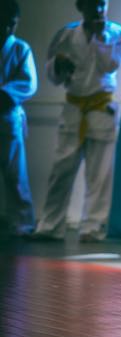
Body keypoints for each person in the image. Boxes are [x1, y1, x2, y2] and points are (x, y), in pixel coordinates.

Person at [33, 0, 121, 243]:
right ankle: (50, 226)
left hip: (101, 108)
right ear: (81, 7)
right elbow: (53, 75)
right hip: (74, 108)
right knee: (61, 170)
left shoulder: (116, 33)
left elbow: (111, 65)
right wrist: (58, 65)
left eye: (102, 4)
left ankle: (92, 228)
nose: (99, 10)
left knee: (99, 175)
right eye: (93, 5)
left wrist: (100, 37)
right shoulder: (65, 34)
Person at [0, 0, 36, 240]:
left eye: (12, 24)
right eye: (4, 23)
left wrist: (4, 94)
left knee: (15, 176)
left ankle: (23, 223)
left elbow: (28, 83)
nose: (7, 29)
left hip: (7, 116)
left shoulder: (20, 48)